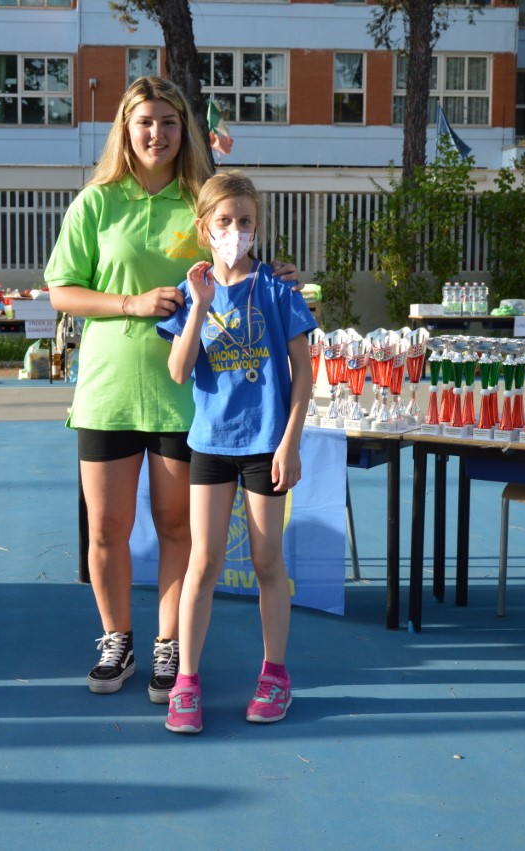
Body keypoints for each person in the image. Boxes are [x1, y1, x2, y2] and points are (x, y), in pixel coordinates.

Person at [45, 75, 215, 703]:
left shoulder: (202, 202)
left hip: (186, 391)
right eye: (145, 121)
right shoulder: (95, 202)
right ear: (126, 128)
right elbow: (62, 291)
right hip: (109, 390)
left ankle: (170, 645)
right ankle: (117, 639)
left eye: (169, 122)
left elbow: (237, 272)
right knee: (106, 529)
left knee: (176, 526)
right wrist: (131, 303)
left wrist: (271, 276)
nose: (157, 133)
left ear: (184, 130)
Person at [156, 171, 316, 734]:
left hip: (266, 445)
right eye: (223, 221)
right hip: (211, 445)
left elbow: (303, 373)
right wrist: (200, 306)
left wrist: (290, 441)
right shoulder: (190, 290)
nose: (234, 230)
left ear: (257, 227)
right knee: (202, 563)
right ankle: (186, 682)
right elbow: (179, 372)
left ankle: (275, 676)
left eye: (244, 221)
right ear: (204, 228)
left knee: (268, 562)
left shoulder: (277, 289)